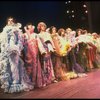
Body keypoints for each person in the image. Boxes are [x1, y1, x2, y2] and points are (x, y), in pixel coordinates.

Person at [0, 17, 33, 93]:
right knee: (6, 67)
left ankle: (15, 83)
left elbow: (20, 41)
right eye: (9, 20)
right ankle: (8, 84)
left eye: (12, 20)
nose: (10, 22)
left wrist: (17, 48)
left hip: (14, 50)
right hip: (5, 51)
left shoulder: (16, 30)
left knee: (14, 66)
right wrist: (4, 49)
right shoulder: (3, 31)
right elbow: (2, 42)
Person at [23, 23, 46, 88]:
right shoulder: (24, 35)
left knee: (35, 65)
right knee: (28, 66)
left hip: (34, 52)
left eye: (31, 27)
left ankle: (34, 81)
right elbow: (22, 43)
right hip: (27, 53)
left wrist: (42, 51)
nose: (30, 28)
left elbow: (39, 43)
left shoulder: (35, 35)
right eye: (29, 27)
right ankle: (29, 81)